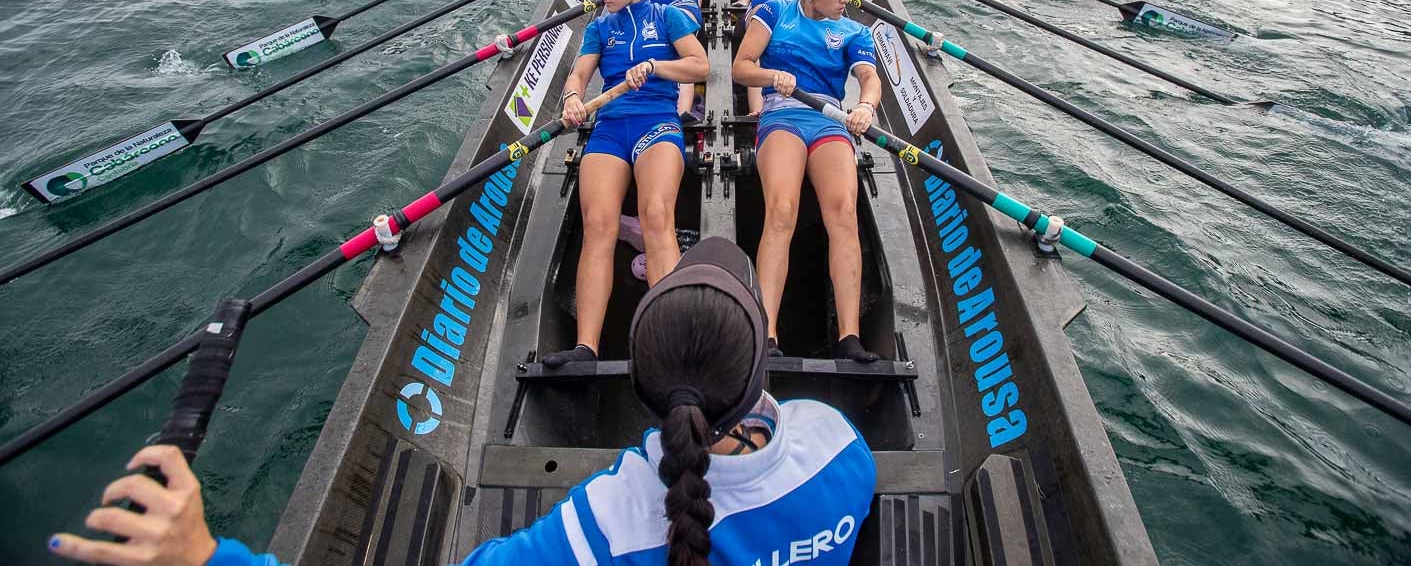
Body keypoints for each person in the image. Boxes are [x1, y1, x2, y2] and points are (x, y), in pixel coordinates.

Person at [48, 239, 876, 566]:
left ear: (643, 385)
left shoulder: (602, 527)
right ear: (763, 363)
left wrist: (205, 556)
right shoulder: (842, 450)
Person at [541, 0, 710, 367]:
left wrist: (656, 67)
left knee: (657, 216)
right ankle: (586, 347)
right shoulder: (600, 26)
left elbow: (700, 66)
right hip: (611, 128)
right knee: (598, 225)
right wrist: (574, 97)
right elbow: (579, 72)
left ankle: (673, 342)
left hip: (658, 122)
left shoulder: (668, 16)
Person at [731, 0, 882, 363]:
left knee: (844, 212)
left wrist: (866, 107)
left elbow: (869, 79)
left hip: (830, 120)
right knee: (781, 210)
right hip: (782, 115)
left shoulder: (853, 31)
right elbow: (742, 68)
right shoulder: (773, 11)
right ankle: (767, 333)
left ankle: (850, 338)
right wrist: (770, 77)